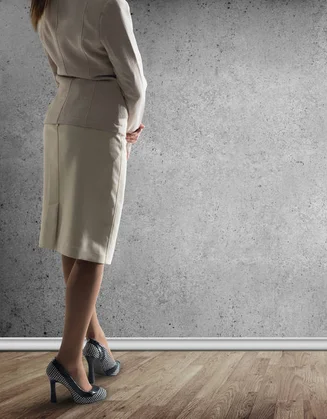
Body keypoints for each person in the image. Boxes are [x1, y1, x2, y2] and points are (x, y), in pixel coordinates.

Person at [30, 0, 147, 404]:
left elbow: (54, 65)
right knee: (94, 244)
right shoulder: (108, 2)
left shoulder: (43, 2)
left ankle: (94, 341)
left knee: (72, 236)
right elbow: (134, 80)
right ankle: (68, 360)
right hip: (99, 122)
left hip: (60, 117)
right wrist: (132, 128)